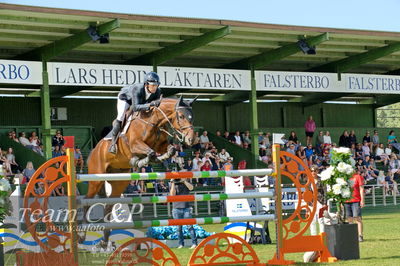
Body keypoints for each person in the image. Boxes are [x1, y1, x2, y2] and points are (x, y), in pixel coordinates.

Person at [109, 72, 162, 153]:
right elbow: (135, 107)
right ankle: (113, 143)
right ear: (146, 84)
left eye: (157, 85)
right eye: (153, 85)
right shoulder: (137, 88)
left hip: (140, 102)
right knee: (121, 117)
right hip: (126, 99)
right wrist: (150, 104)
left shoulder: (157, 91)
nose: (155, 87)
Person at [170, 178, 197, 249]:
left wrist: (184, 181)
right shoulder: (174, 183)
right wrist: (173, 182)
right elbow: (172, 195)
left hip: (186, 207)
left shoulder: (186, 183)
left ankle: (194, 243)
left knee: (190, 226)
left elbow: (191, 188)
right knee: (178, 228)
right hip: (176, 208)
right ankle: (181, 244)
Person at [344, 169, 365, 242]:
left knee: (358, 218)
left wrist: (362, 200)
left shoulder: (358, 176)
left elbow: (361, 189)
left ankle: (360, 235)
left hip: (356, 200)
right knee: (349, 219)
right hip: (346, 201)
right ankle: (351, 236)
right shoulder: (344, 177)